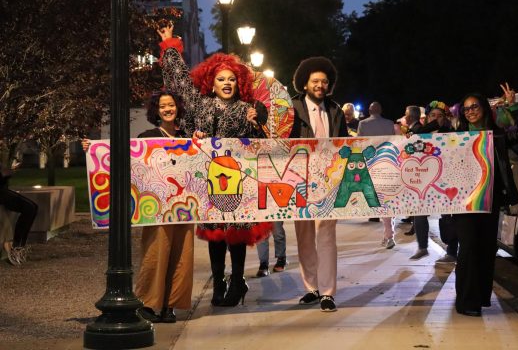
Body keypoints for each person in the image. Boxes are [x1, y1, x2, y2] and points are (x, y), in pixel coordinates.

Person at [158, 24, 271, 308]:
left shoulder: (247, 108)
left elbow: (260, 146)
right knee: (215, 235)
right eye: (221, 79)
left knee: (236, 234)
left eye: (231, 79)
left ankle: (237, 282)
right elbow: (179, 84)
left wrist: (255, 123)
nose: (227, 83)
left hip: (239, 181)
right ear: (212, 81)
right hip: (210, 181)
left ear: (238, 82)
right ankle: (218, 281)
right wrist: (170, 45)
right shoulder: (200, 106)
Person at [82, 90, 194, 323]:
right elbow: (125, 154)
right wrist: (94, 149)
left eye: (171, 105)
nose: (167, 109)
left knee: (182, 257)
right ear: (156, 111)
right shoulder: (148, 136)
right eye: (162, 106)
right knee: (157, 254)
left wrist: (199, 140)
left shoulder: (188, 136)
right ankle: (150, 304)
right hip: (157, 208)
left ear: (177, 107)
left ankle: (170, 306)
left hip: (184, 208)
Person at [454, 83, 518, 317]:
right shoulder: (456, 138)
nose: (470, 111)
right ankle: (466, 301)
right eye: (466, 109)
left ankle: (478, 300)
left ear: (485, 109)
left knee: (485, 250)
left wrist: (513, 106)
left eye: (474, 107)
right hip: (463, 203)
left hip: (489, 201)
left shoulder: (496, 136)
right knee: (467, 249)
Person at [290, 56, 348, 312]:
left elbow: (347, 144)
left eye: (324, 81)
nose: (320, 85)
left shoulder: (335, 110)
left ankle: (327, 292)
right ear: (305, 83)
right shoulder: (290, 108)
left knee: (326, 235)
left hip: (329, 179)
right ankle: (311, 287)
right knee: (303, 234)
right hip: (298, 179)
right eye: (315, 81)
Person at [407, 100, 454, 261]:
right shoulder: (421, 132)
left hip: (445, 179)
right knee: (420, 213)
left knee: (447, 215)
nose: (436, 119)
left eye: (439, 116)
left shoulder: (450, 132)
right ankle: (422, 246)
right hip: (425, 179)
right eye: (432, 115)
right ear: (427, 118)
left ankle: (452, 250)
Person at [356, 101, 396, 247]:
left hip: (371, 163)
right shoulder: (389, 123)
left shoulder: (363, 124)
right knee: (387, 198)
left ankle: (388, 234)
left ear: (369, 110)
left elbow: (359, 143)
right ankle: (389, 233)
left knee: (379, 198)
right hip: (387, 162)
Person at [0, 157, 38, 265]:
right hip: (1, 193)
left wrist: (10, 171)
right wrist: (7, 172)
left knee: (32, 207)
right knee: (30, 208)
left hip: (3, 191)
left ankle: (19, 246)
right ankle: (17, 247)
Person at [401, 105, 424, 235]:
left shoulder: (417, 128)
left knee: (417, 199)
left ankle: (416, 227)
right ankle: (414, 224)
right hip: (413, 166)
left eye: (405, 114)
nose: (405, 116)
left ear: (410, 116)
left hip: (416, 167)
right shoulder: (414, 128)